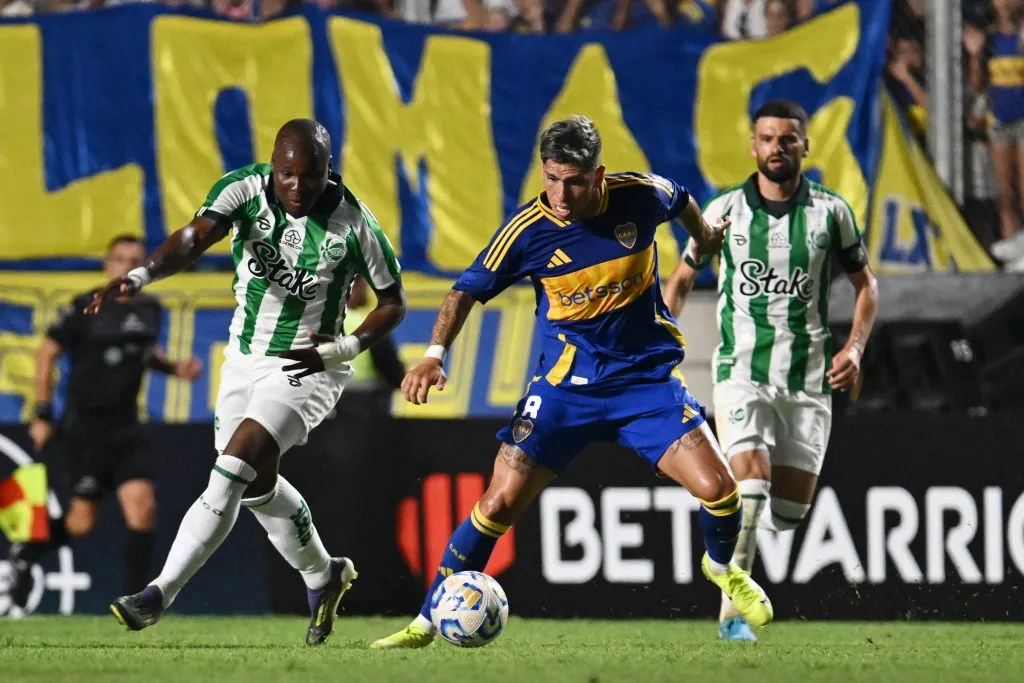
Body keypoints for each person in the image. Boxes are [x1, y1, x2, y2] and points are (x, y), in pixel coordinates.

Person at [371, 115, 773, 649]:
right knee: (499, 502)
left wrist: (701, 241)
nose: (560, 195)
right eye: (552, 178)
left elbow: (682, 201)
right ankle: (425, 623)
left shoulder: (640, 195)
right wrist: (433, 355)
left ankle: (721, 568)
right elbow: (463, 292)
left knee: (722, 493)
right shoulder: (526, 232)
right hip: (563, 392)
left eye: (575, 182)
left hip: (644, 385)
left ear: (599, 175)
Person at [90, 119, 406, 646]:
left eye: (310, 176)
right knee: (256, 487)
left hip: (307, 364)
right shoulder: (244, 188)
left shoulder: (354, 223)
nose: (297, 187)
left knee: (233, 466)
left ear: (329, 169)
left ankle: (157, 593)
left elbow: (392, 302)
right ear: (274, 167)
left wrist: (345, 347)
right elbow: (194, 237)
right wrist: (141, 275)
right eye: (287, 175)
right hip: (243, 356)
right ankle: (323, 574)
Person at [662, 99, 879, 642]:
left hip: (808, 382)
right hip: (741, 373)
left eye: (787, 139)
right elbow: (682, 279)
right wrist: (659, 345)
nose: (776, 148)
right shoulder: (724, 211)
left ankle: (732, 545)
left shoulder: (831, 213)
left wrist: (854, 349)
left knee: (787, 513)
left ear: (805, 145)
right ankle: (732, 616)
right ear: (753, 145)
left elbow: (867, 286)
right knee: (751, 486)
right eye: (766, 138)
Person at [6, 235, 202, 611]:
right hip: (86, 430)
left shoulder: (151, 309)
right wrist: (42, 414)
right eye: (120, 259)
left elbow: (145, 351)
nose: (127, 266)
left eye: (135, 260)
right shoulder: (86, 306)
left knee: (143, 508)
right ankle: (26, 553)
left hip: (127, 426)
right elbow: (47, 355)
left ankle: (136, 603)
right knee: (81, 523)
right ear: (106, 265)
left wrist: (174, 369)